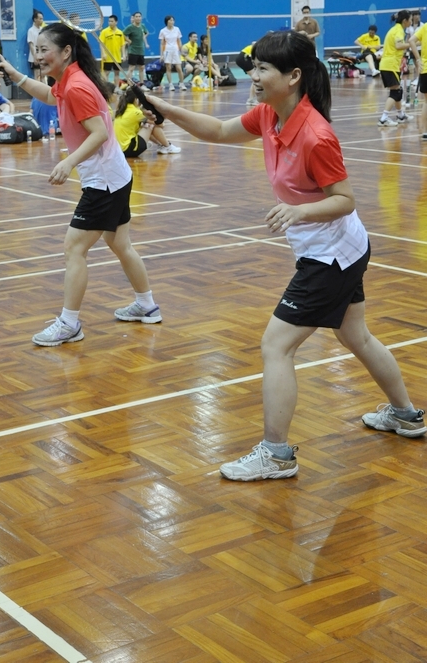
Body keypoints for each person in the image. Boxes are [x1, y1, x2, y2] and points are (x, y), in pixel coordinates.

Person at [144, 29, 425, 480]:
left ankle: (276, 454)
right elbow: (218, 130)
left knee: (276, 345)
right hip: (340, 247)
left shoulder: (315, 135)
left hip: (331, 255)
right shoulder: (269, 116)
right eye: (253, 66)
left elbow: (345, 199)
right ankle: (406, 415)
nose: (253, 75)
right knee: (355, 336)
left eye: (262, 68)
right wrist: (166, 108)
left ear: (293, 76)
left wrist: (299, 211)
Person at [0, 22, 162, 346]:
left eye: (44, 50)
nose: (38, 55)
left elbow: (99, 133)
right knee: (120, 245)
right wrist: (16, 75)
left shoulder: (76, 86)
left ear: (66, 52)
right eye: (37, 50)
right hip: (114, 175)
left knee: (74, 248)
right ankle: (147, 305)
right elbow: (49, 96)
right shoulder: (68, 81)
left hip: (103, 181)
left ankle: (69, 323)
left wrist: (68, 162)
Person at [378, 10, 419, 127]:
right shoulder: (398, 30)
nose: (411, 22)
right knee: (395, 92)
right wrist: (413, 44)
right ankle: (383, 118)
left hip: (390, 65)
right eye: (410, 20)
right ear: (405, 20)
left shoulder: (396, 29)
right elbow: (398, 45)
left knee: (398, 90)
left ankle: (400, 115)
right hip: (390, 65)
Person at [114, 86, 181, 157]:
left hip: (120, 150)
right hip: (130, 149)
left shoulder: (123, 109)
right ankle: (167, 146)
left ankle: (162, 145)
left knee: (143, 125)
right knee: (150, 125)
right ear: (136, 99)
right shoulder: (136, 112)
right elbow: (161, 125)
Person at [409, 19, 427, 141]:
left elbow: (411, 41)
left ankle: (425, 132)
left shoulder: (425, 27)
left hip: (425, 68)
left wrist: (419, 59)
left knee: (426, 102)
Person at [159, 15, 186, 91]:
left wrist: (181, 50)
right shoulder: (163, 31)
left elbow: (179, 41)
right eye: (170, 20)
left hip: (176, 50)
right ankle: (171, 84)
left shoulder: (177, 29)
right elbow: (162, 43)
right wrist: (161, 55)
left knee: (179, 68)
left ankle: (182, 84)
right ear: (167, 21)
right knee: (168, 68)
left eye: (173, 20)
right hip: (167, 51)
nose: (172, 21)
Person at [100, 14, 125, 86]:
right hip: (107, 57)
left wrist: (124, 54)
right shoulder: (104, 32)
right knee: (106, 73)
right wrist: (103, 53)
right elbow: (101, 43)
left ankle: (116, 88)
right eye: (109, 21)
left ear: (116, 22)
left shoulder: (120, 32)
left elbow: (122, 44)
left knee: (117, 73)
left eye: (112, 21)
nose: (110, 23)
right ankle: (106, 88)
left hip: (117, 57)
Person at [123, 11, 149, 82]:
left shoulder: (142, 26)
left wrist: (144, 38)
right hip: (133, 51)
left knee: (142, 67)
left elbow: (146, 33)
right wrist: (128, 40)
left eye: (139, 16)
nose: (138, 18)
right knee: (131, 68)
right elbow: (123, 34)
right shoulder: (130, 27)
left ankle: (141, 83)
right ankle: (129, 84)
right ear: (133, 18)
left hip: (141, 51)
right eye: (136, 17)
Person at [27, 10, 45, 82]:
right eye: (40, 19)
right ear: (35, 19)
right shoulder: (31, 30)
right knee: (37, 76)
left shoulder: (42, 30)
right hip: (34, 57)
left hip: (42, 56)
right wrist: (35, 56)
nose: (42, 20)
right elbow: (31, 44)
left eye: (42, 19)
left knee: (43, 75)